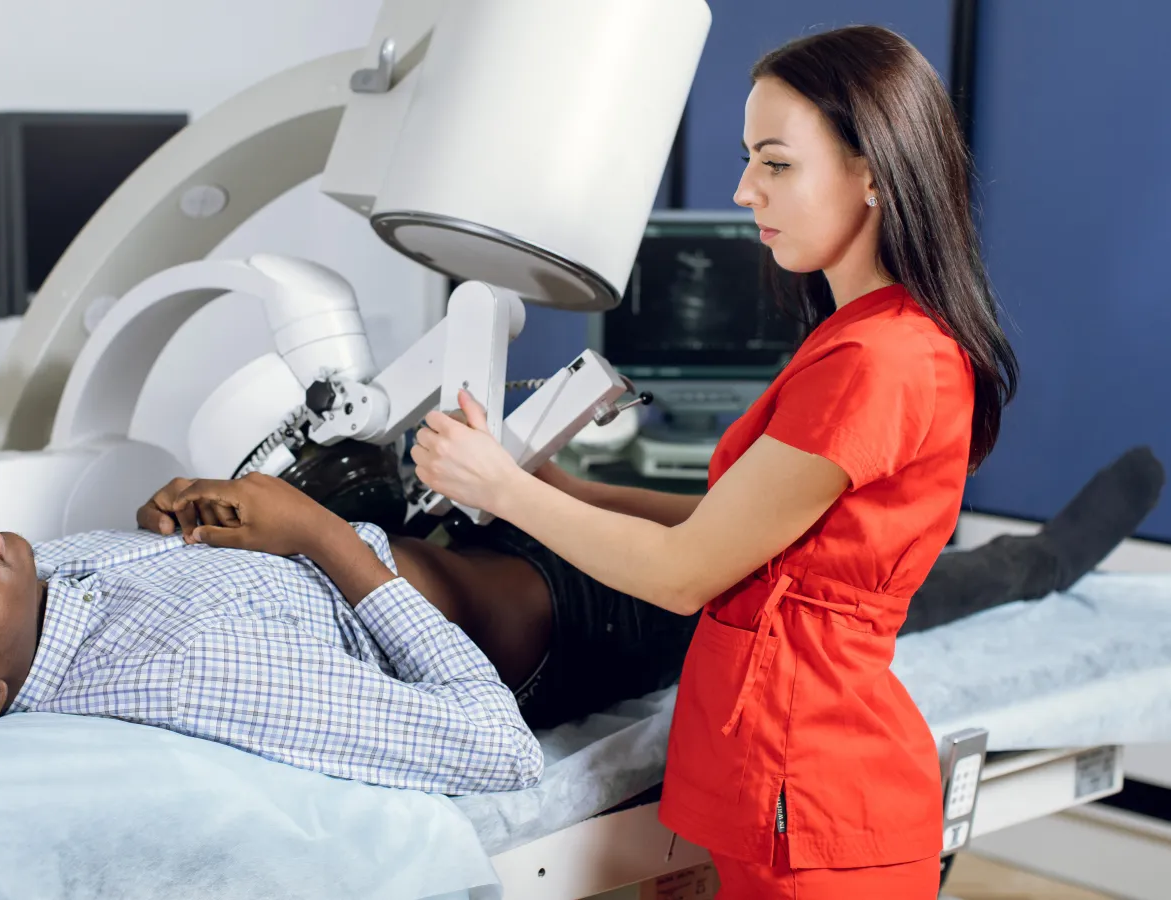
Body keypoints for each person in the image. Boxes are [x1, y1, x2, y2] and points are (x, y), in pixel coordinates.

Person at [394, 23, 1031, 898]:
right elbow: (735, 531)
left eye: (775, 163)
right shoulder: (860, 338)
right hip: (778, 789)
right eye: (746, 161)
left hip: (817, 802)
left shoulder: (880, 361)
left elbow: (686, 574)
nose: (743, 190)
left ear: (874, 171)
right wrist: (566, 490)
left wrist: (498, 484)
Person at [0, 446, 1161, 793]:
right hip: (573, 612)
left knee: (721, 486)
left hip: (456, 531)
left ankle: (886, 497)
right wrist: (311, 540)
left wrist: (264, 501)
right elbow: (489, 748)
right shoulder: (173, 684)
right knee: (828, 581)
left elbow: (272, 560)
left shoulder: (61, 605)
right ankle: (1020, 568)